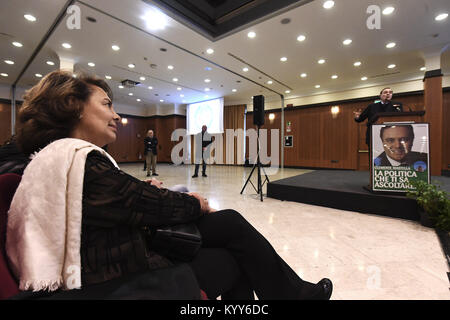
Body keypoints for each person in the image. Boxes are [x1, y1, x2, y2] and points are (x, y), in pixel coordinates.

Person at [6, 70, 332, 300]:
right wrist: (195, 202)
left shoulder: (59, 157)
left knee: (229, 228)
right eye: (107, 104)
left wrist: (147, 189)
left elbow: (117, 196)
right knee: (233, 249)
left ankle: (293, 293)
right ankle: (293, 294)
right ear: (73, 107)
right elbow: (143, 204)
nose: (117, 115)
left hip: (109, 256)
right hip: (112, 276)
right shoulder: (74, 156)